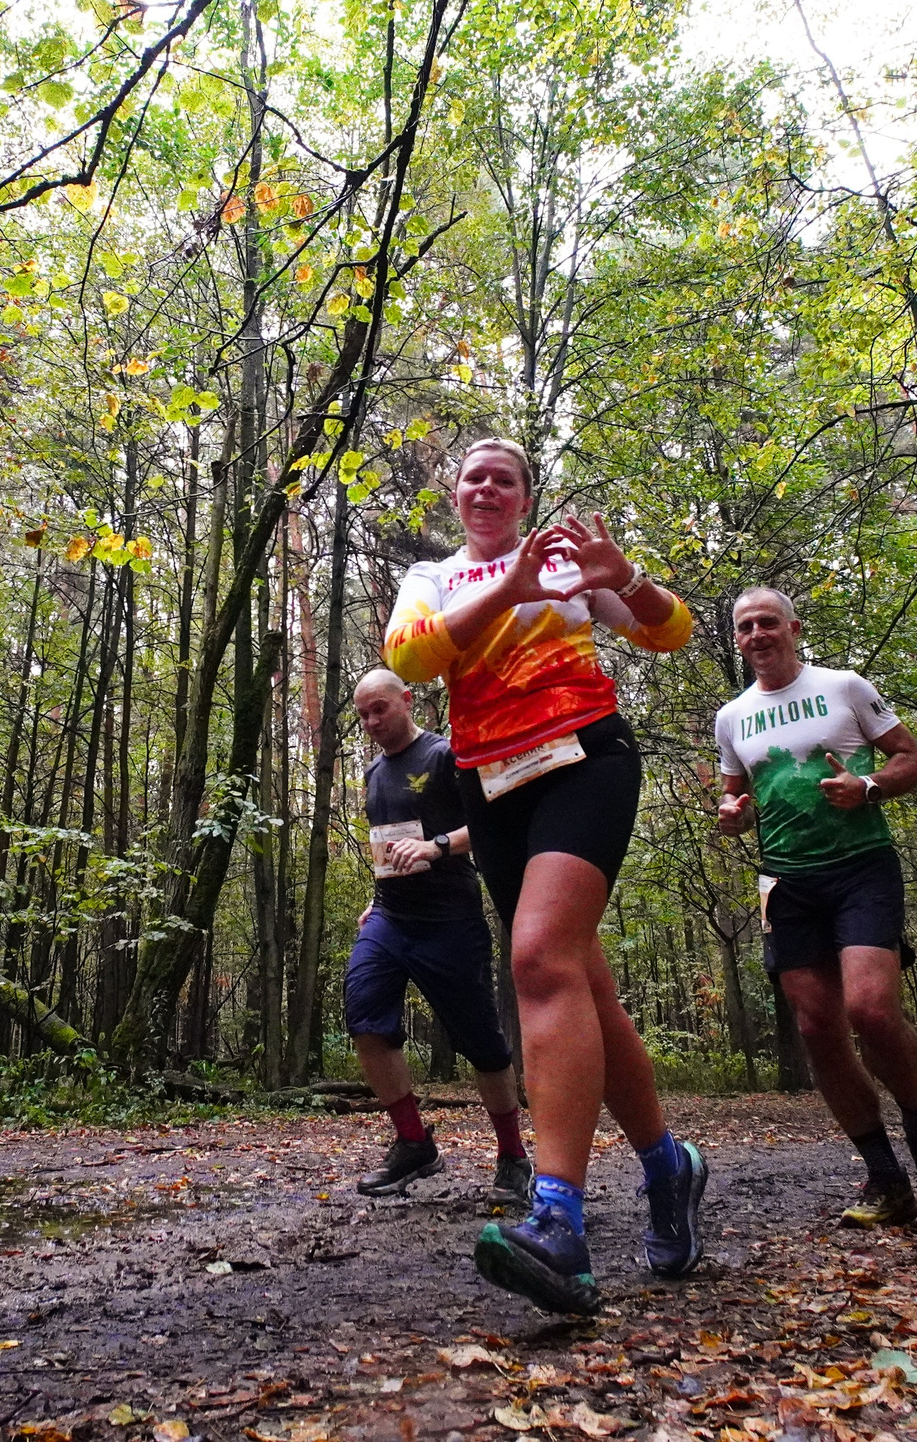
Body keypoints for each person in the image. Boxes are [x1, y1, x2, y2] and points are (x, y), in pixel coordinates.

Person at [383, 438, 704, 1316]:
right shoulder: (433, 576)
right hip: (491, 784)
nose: (487, 486)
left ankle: (558, 1217)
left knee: (536, 960)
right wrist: (506, 591)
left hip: (584, 759)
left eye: (505, 477)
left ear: (525, 496)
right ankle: (668, 1167)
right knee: (582, 983)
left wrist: (628, 575)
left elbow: (668, 631)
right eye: (474, 475)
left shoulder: (565, 560)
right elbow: (409, 657)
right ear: (456, 495)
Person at [713, 587, 917, 1228]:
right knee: (817, 1028)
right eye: (745, 627)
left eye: (768, 622)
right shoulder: (732, 716)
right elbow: (733, 803)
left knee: (871, 1010)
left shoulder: (845, 687)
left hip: (861, 870)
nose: (757, 634)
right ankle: (885, 1178)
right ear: (738, 639)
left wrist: (870, 785)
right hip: (787, 883)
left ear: (793, 628)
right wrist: (732, 816)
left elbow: (914, 760)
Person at [345, 668, 534, 1202]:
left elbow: (494, 824)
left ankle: (513, 1157)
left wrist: (438, 846)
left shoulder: (447, 756)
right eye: (362, 714)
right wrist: (372, 899)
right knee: (364, 1016)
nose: (371, 722)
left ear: (407, 700)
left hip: (450, 917)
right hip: (389, 916)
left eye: (380, 708)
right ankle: (413, 1144)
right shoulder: (373, 773)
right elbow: (388, 846)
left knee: (481, 1043)